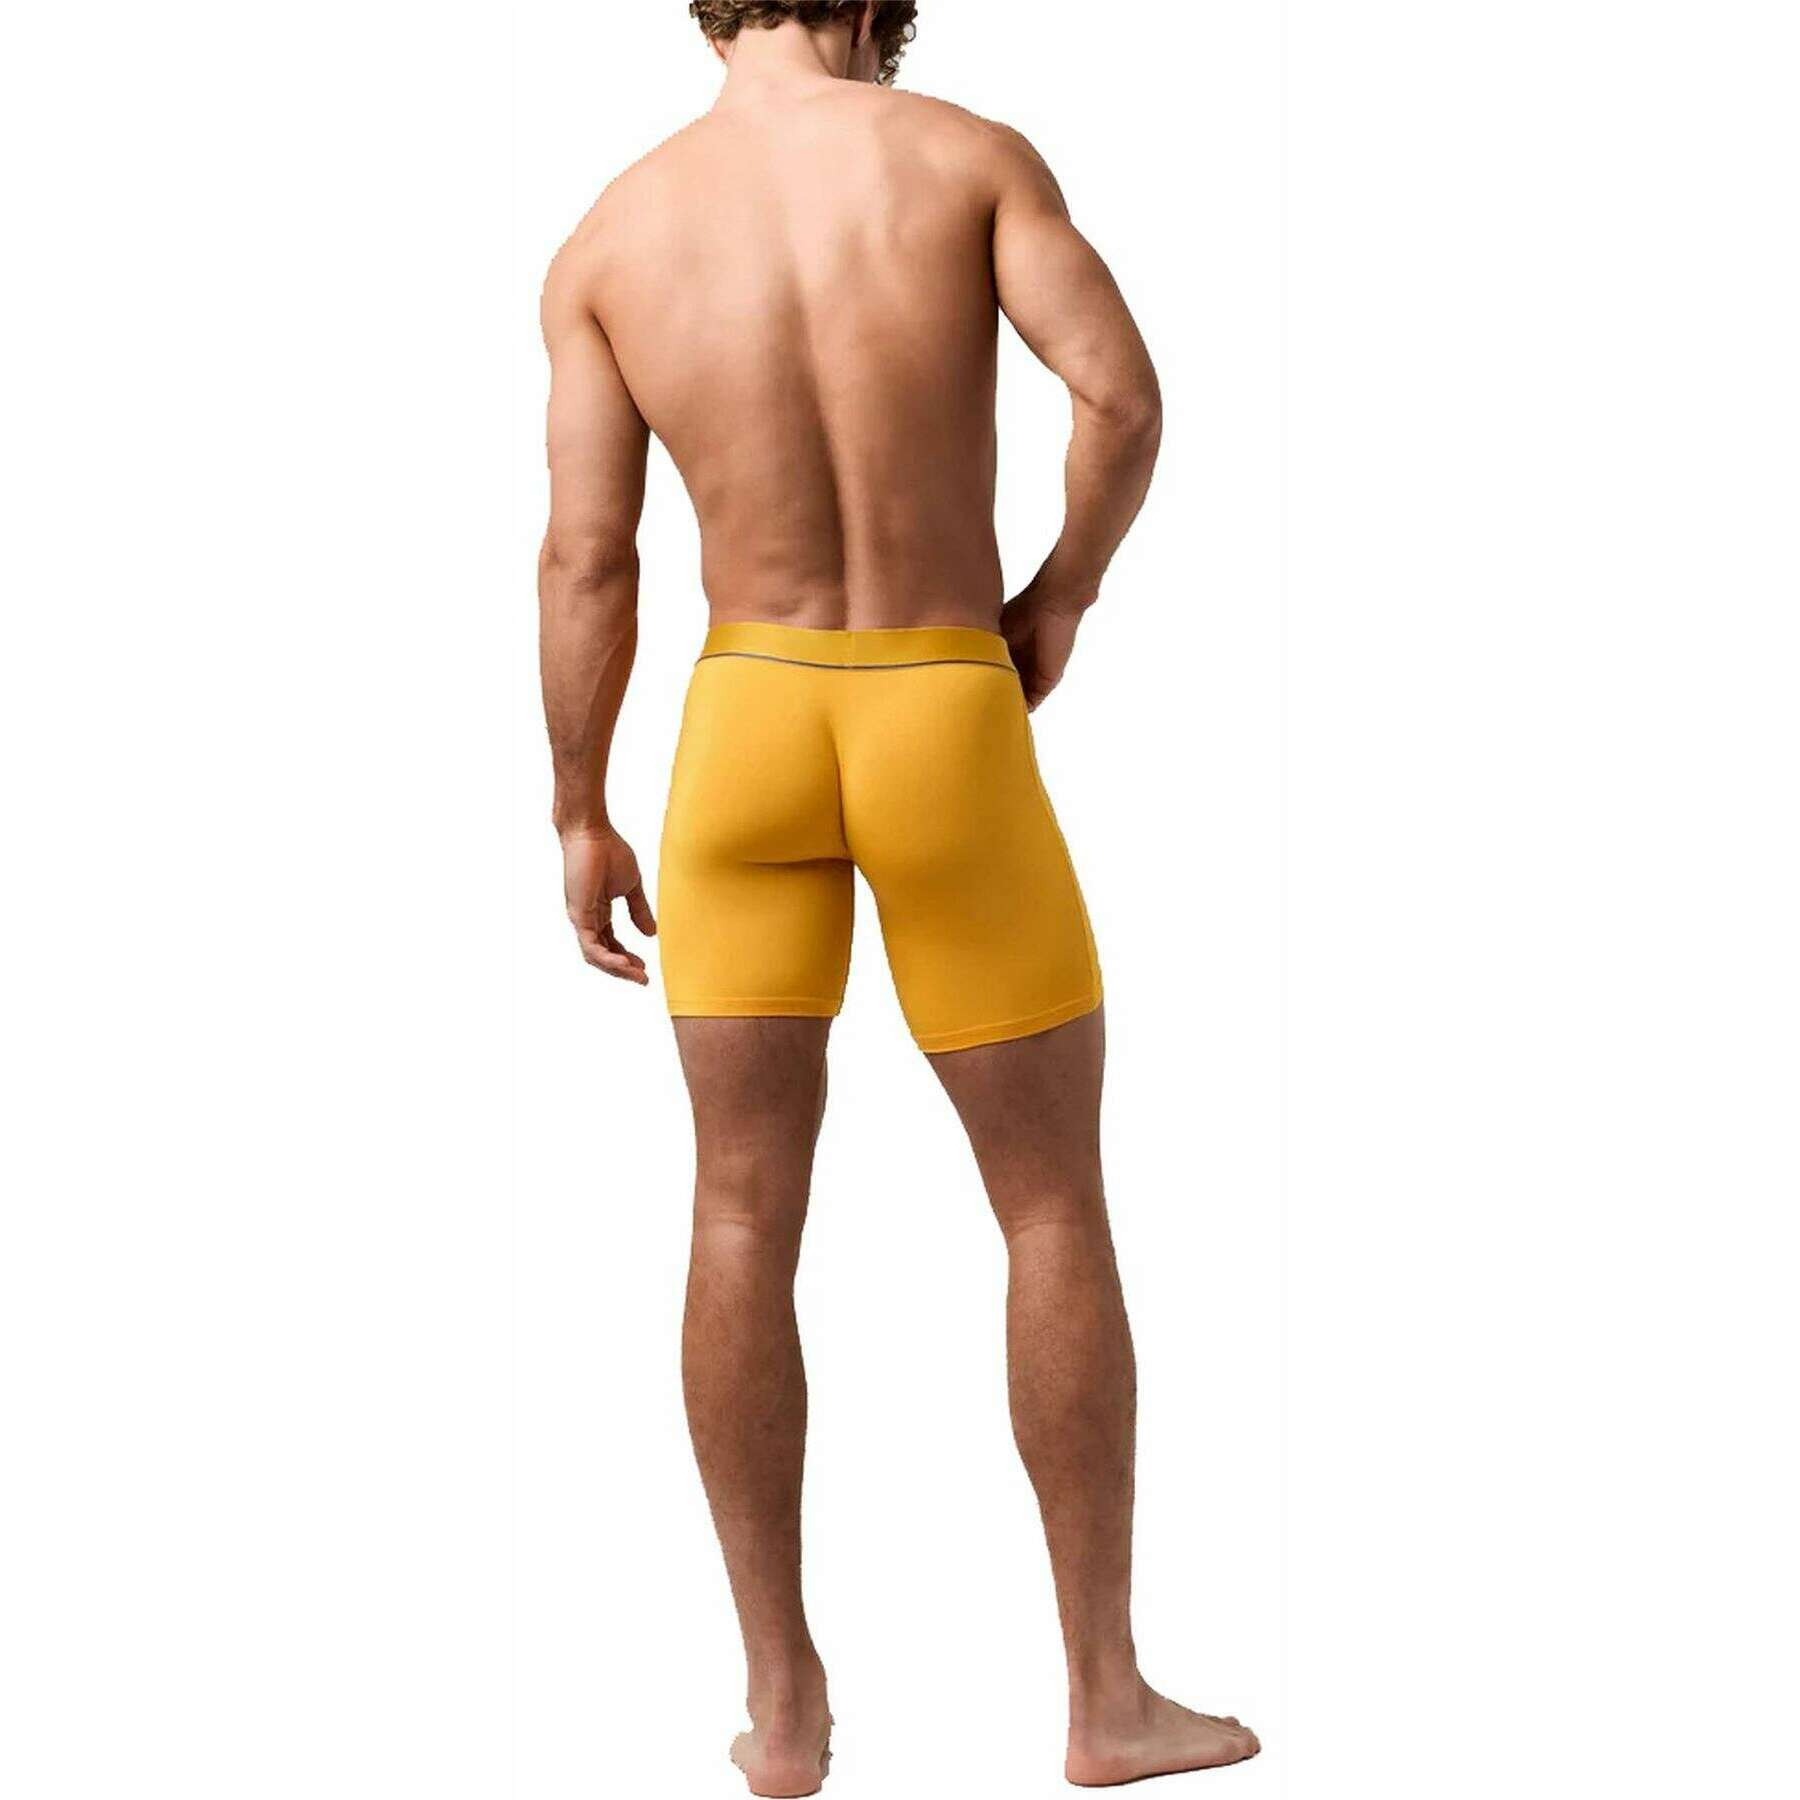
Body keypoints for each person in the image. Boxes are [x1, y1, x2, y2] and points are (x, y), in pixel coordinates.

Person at [537, 3, 1257, 1791]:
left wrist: (576, 805)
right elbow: (1122, 397)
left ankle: (784, 1712)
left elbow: (589, 557)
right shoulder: (964, 161)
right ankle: (1105, 1700)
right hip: (942, 708)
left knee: (736, 1213)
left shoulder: (613, 234)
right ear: (873, 11)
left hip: (745, 728)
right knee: (1049, 1205)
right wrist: (1061, 595)